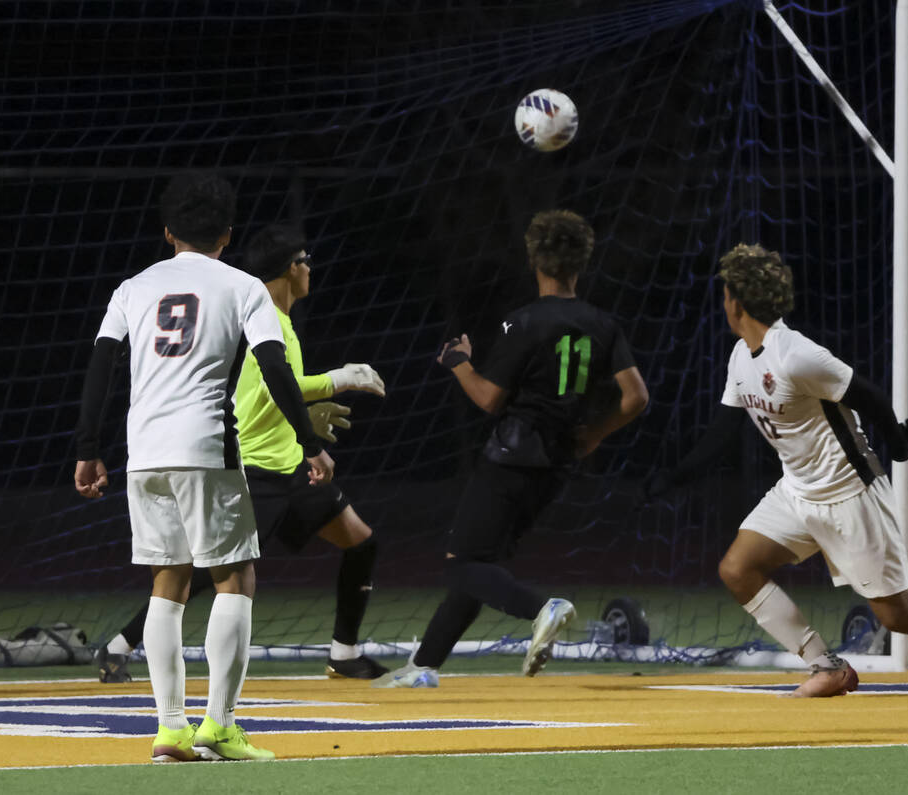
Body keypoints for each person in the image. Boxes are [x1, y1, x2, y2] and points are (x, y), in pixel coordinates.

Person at [645, 243, 908, 697]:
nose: (723, 302)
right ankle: (826, 667)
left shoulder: (796, 354)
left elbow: (867, 394)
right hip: (797, 493)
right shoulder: (741, 358)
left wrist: (897, 445)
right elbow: (723, 432)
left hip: (850, 493)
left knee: (899, 616)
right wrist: (671, 479)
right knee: (738, 569)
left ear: (736, 301)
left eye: (724, 293)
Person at [74, 173, 334, 762]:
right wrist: (310, 440)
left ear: (168, 232)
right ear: (227, 233)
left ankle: (170, 729)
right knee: (235, 577)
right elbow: (274, 366)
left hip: (144, 452)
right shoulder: (244, 286)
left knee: (167, 584)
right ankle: (218, 725)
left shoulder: (131, 288)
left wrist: (87, 449)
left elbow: (100, 370)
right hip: (206, 446)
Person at [93, 224, 390, 684]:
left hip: (292, 468)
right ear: (291, 268)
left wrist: (304, 421)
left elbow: (268, 395)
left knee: (361, 542)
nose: (311, 269)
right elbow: (264, 394)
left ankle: (344, 653)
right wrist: (338, 379)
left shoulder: (278, 320)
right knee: (205, 576)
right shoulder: (259, 317)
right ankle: (120, 647)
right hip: (258, 471)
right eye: (306, 260)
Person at [373, 209, 649, 688]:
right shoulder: (603, 325)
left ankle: (542, 608)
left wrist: (459, 363)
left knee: (463, 565)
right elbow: (636, 397)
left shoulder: (522, 323)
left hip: (512, 457)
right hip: (559, 463)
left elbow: (489, 398)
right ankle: (424, 667)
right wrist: (596, 434)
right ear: (581, 262)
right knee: (479, 563)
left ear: (534, 261)